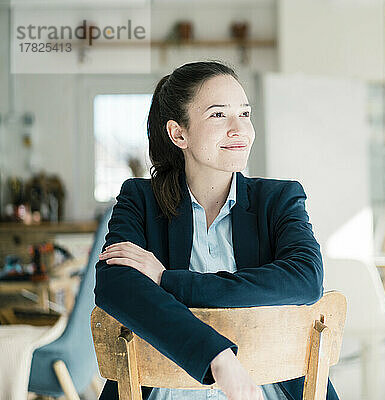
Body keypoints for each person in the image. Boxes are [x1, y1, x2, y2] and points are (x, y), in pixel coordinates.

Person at [94, 61, 340, 400]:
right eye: (218, 115)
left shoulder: (279, 199)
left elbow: (305, 279)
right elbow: (115, 286)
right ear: (178, 133)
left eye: (245, 114)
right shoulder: (140, 199)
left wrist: (168, 281)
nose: (240, 129)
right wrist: (217, 358)